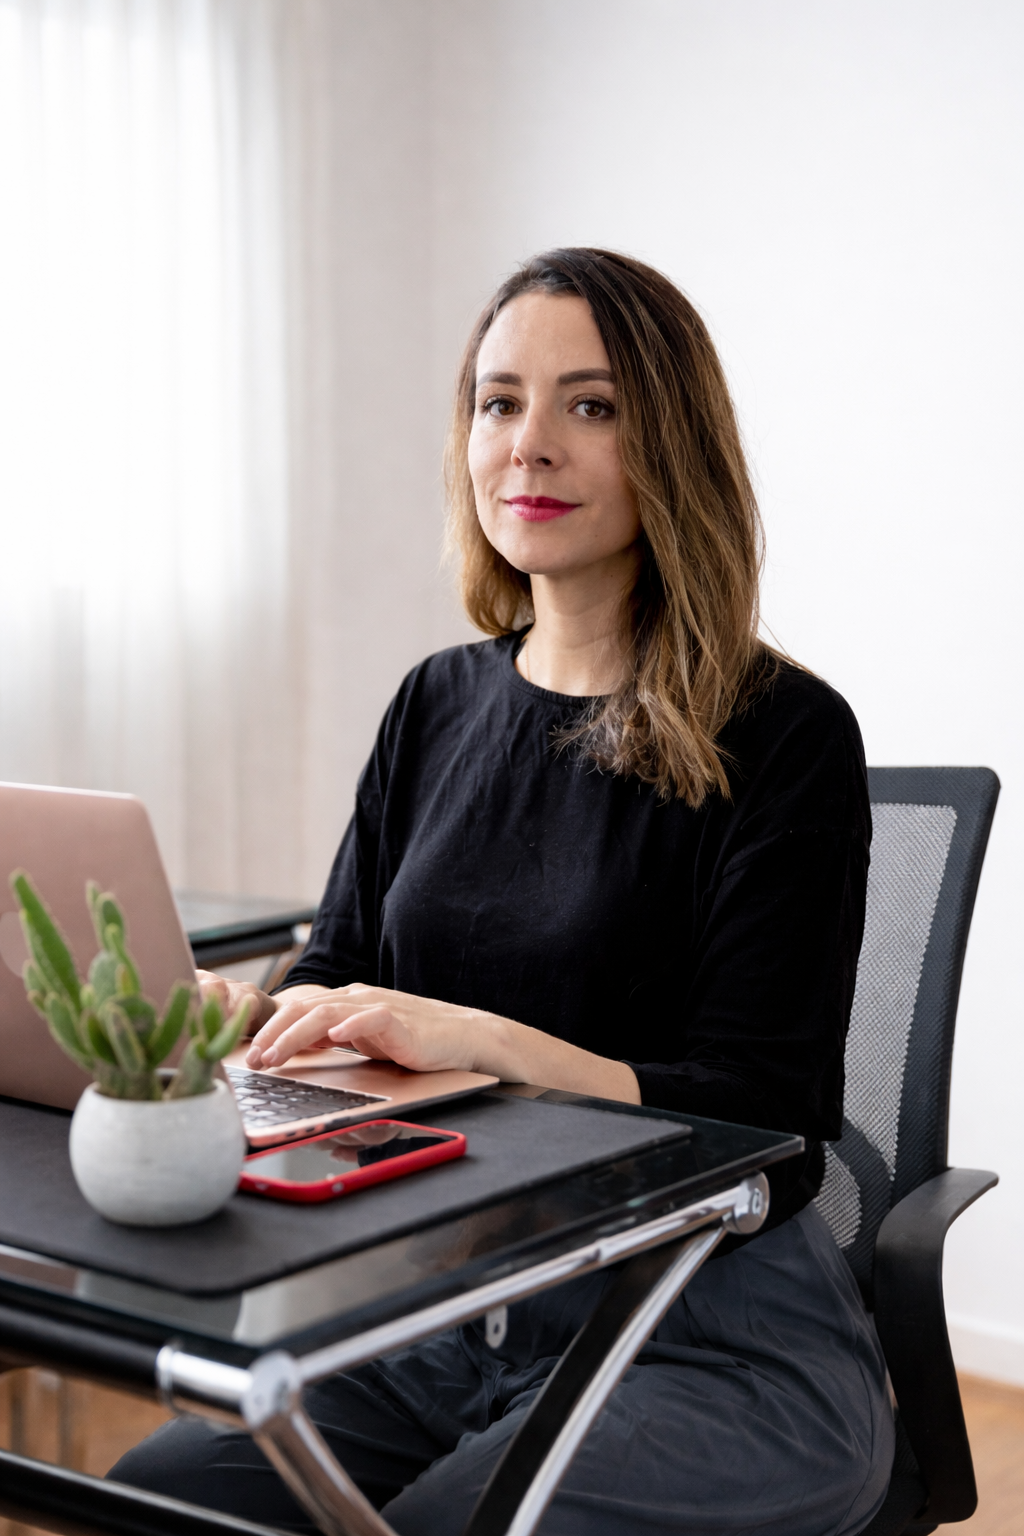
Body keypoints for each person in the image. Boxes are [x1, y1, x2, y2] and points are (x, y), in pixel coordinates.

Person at [112, 249, 894, 1535]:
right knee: (162, 1501)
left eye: (589, 406)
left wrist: (474, 1041)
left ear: (673, 446)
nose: (527, 446)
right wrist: (243, 1025)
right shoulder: (435, 702)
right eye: (496, 402)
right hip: (451, 1321)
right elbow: (336, 971)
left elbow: (770, 1122)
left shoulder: (785, 733)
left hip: (704, 1334)